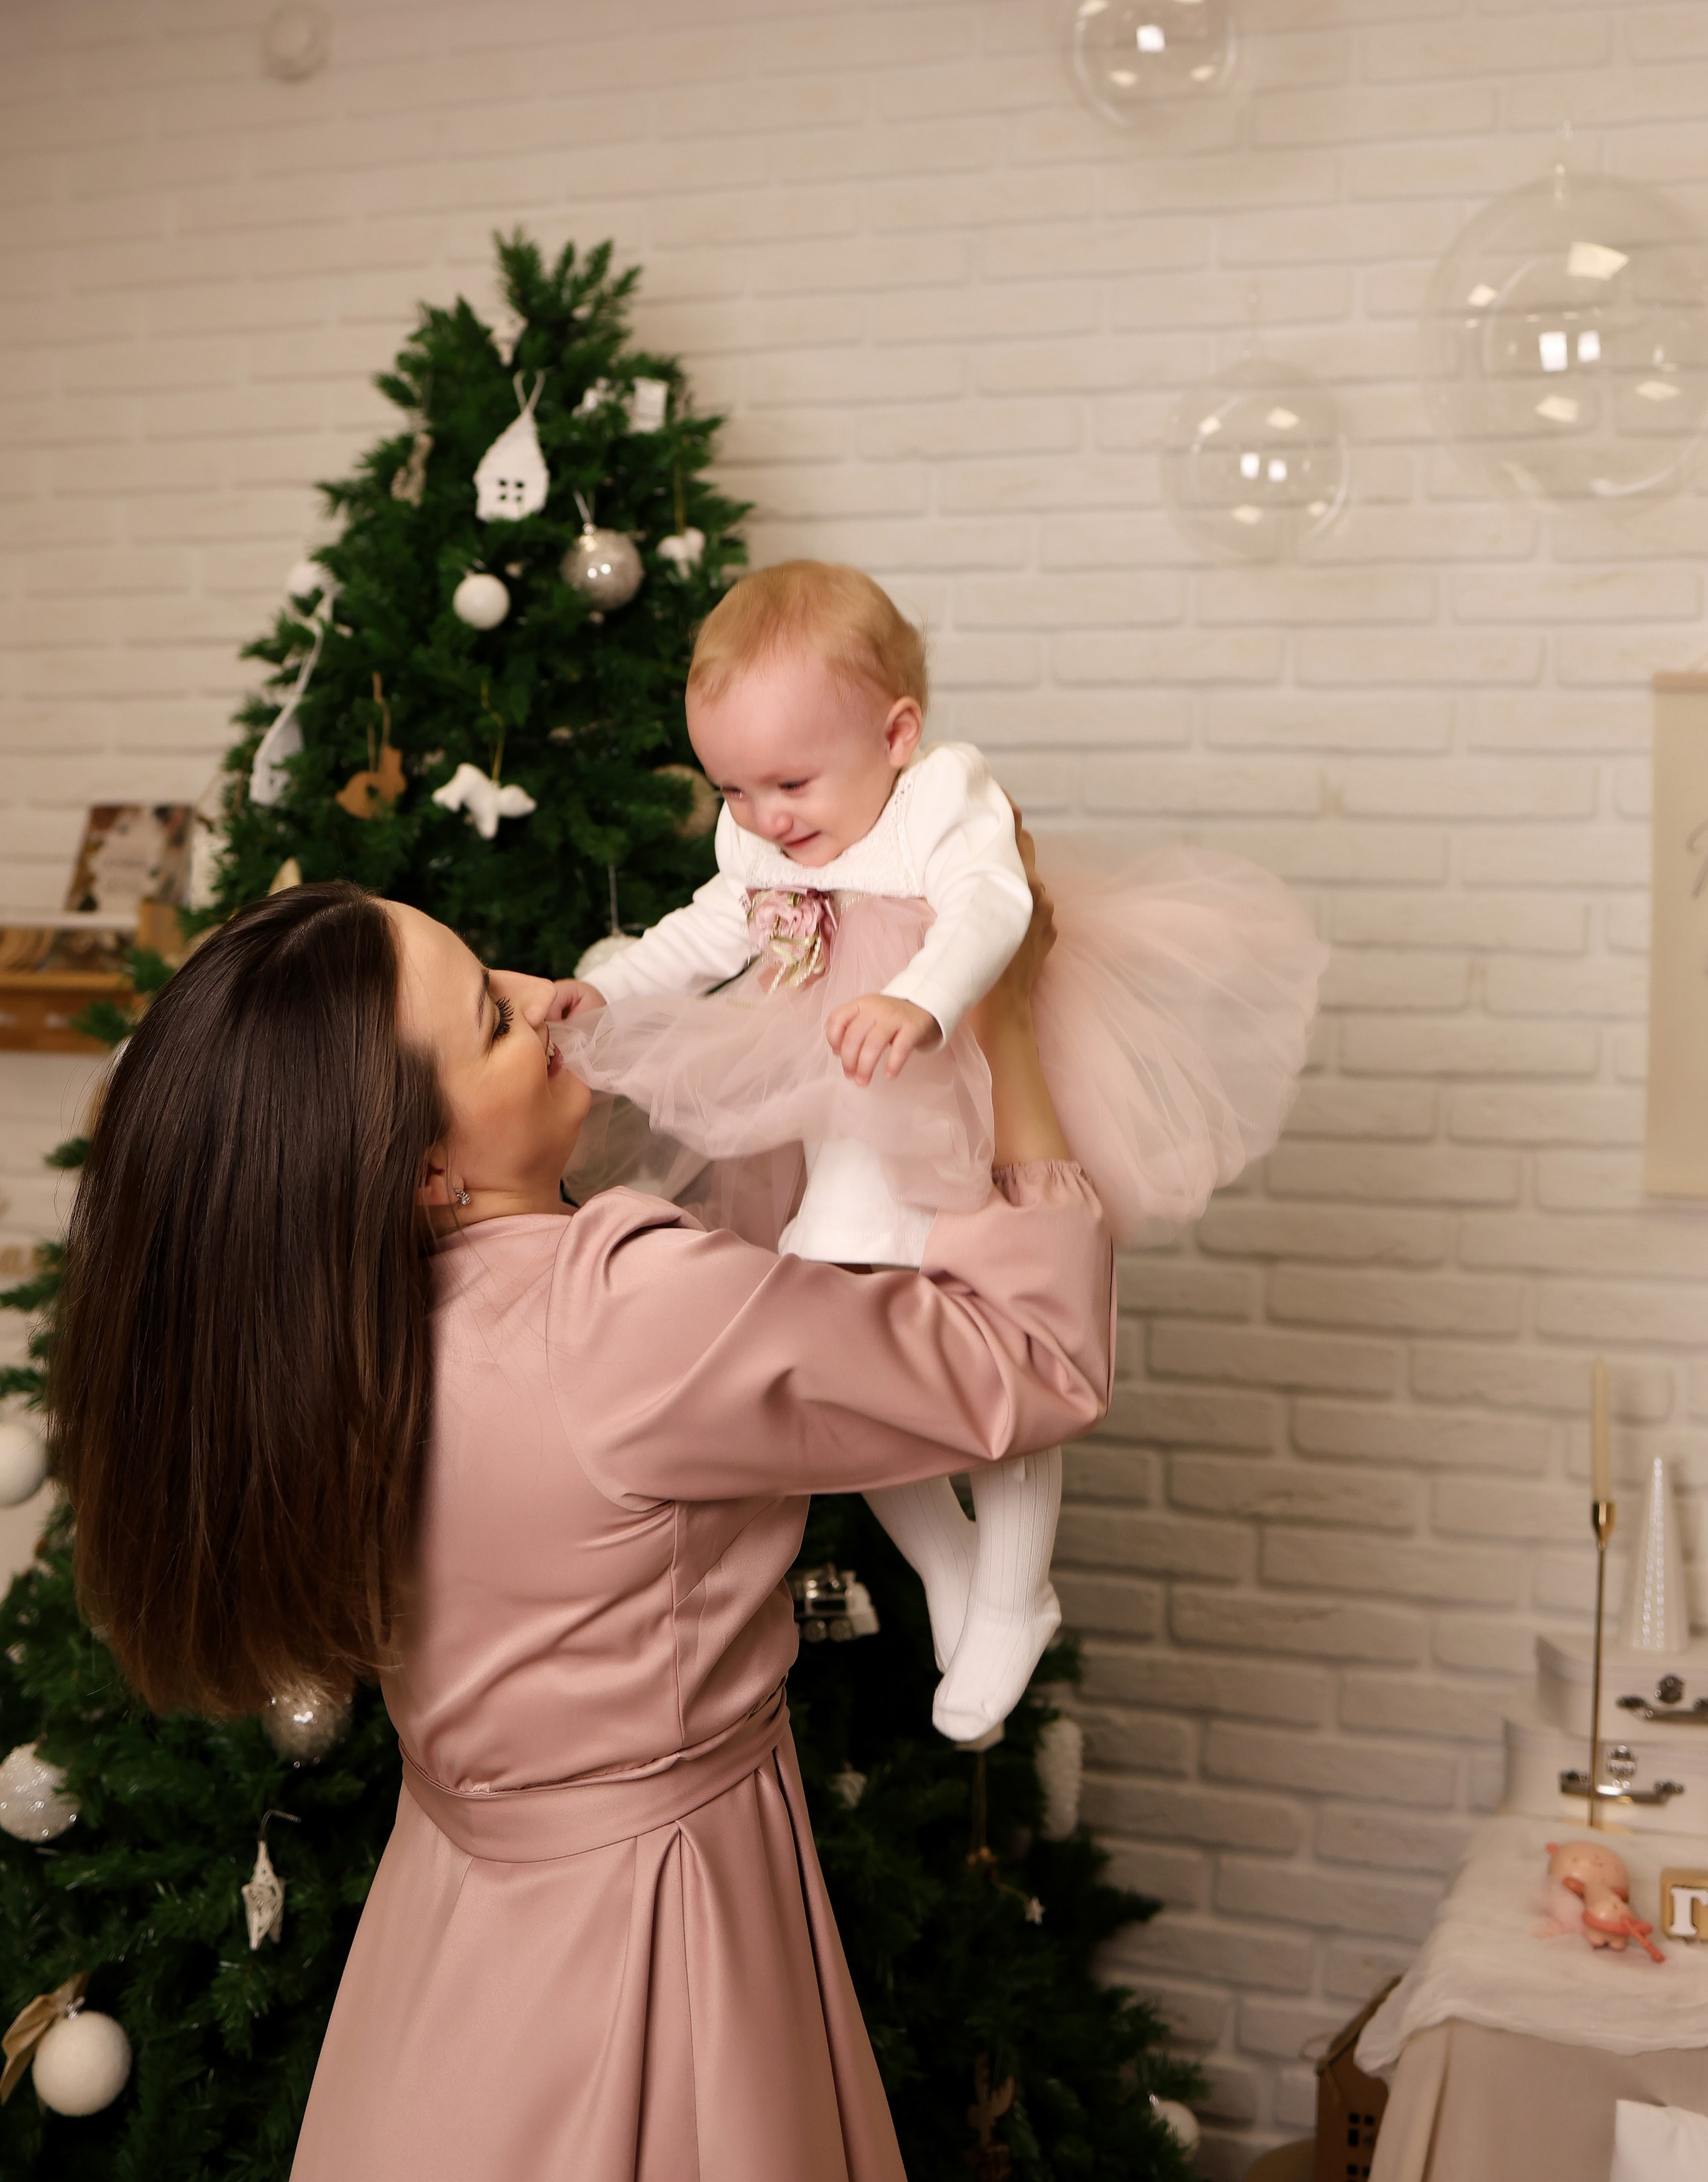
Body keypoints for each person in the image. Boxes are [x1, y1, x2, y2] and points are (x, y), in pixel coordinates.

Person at [49, 849, 1109, 2182]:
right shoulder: (620, 1311)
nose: (550, 992)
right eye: (492, 1017)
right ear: (424, 1167)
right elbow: (1035, 1360)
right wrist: (998, 1015)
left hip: (445, 1942)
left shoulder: (325, 1351)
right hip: (657, 1944)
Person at [556, 559, 1326, 1739]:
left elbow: (992, 907)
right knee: (834, 1342)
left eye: (792, 782)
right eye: (737, 790)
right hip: (850, 1107)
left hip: (954, 1080)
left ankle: (1011, 1589)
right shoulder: (761, 833)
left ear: (898, 732)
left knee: (998, 1345)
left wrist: (920, 1000)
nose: (767, 818)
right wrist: (606, 990)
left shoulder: (944, 795)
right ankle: (956, 1570)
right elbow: (714, 926)